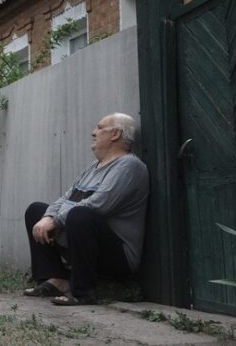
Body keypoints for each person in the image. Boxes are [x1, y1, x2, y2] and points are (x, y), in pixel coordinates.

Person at [23, 112, 149, 306]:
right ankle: (56, 279)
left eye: (99, 128)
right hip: (80, 242)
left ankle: (83, 291)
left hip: (118, 256)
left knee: (81, 214)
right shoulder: (94, 167)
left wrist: (56, 221)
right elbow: (67, 196)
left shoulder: (129, 166)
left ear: (115, 134)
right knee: (36, 211)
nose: (93, 132)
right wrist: (48, 216)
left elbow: (98, 204)